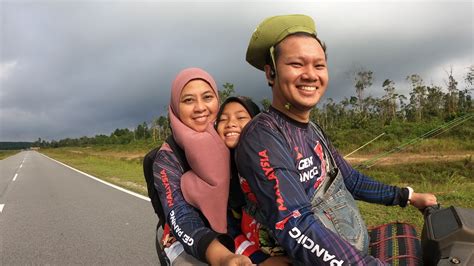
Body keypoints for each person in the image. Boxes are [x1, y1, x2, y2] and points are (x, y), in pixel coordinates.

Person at [235, 14, 438, 265]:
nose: (310, 75)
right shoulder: (263, 136)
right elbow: (294, 223)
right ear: (271, 72)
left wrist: (406, 196)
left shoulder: (313, 130)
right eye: (297, 64)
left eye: (319, 66)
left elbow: (351, 179)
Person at [153, 68, 252, 265]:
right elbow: (180, 214)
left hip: (237, 234)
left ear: (217, 100)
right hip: (184, 239)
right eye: (188, 100)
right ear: (175, 106)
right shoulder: (167, 158)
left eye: (207, 97)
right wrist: (221, 256)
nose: (200, 108)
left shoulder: (229, 138)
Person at [216, 96, 291, 265]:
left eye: (241, 117)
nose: (231, 123)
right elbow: (227, 227)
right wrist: (261, 260)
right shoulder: (218, 176)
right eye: (223, 119)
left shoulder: (277, 162)